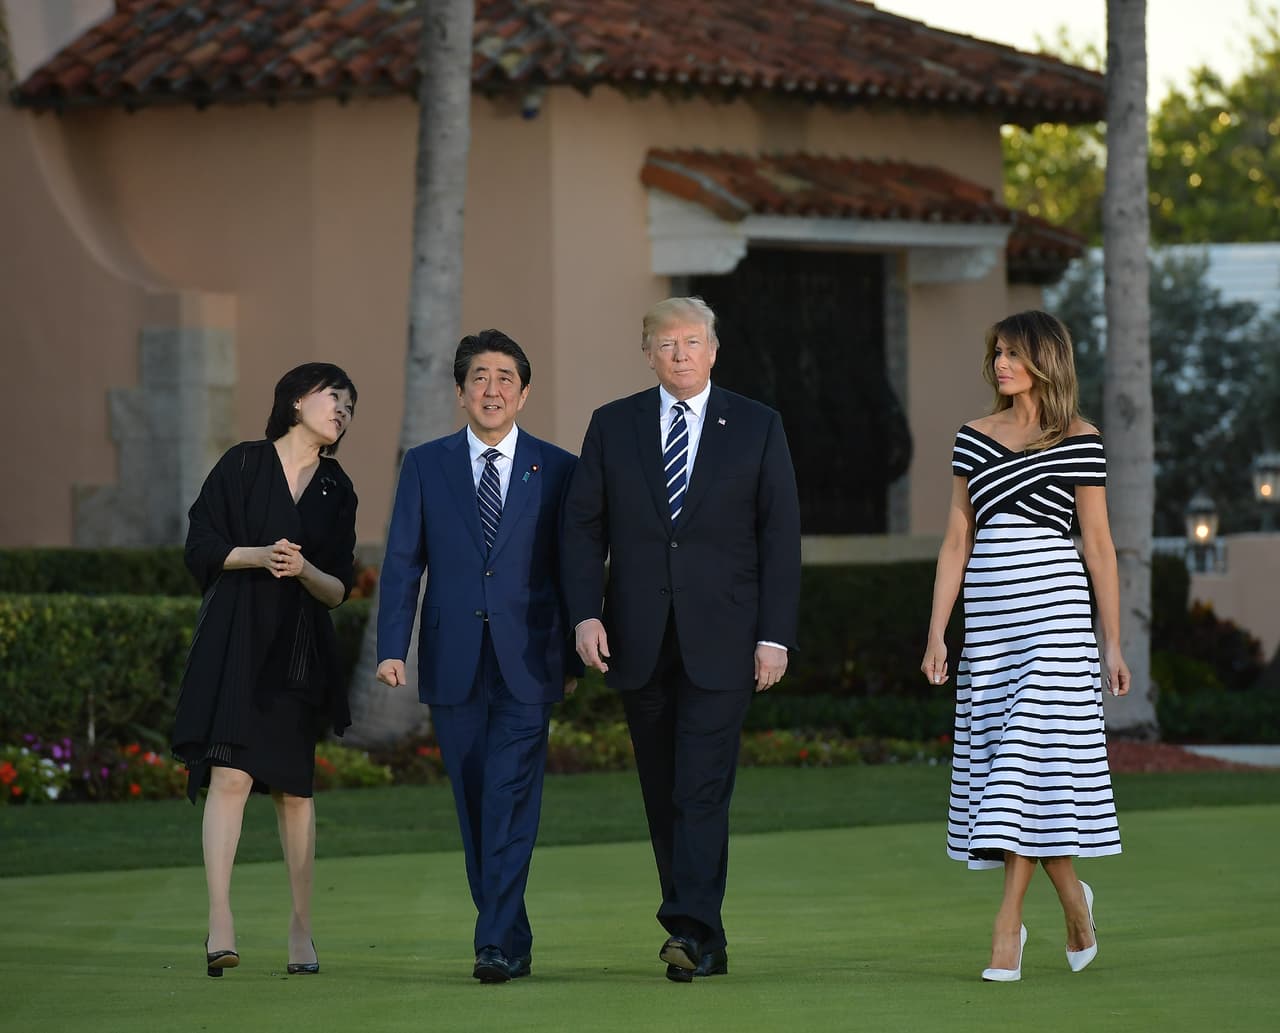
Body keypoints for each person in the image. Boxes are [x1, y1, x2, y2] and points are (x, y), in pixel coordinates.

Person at [561, 296, 801, 982]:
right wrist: (585, 614)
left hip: (726, 639)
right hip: (638, 638)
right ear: (647, 353)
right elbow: (583, 528)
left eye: (692, 341)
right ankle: (707, 935)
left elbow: (779, 537)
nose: (680, 354)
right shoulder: (613, 425)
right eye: (666, 344)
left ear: (713, 349)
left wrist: (775, 636)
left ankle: (687, 929)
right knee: (665, 790)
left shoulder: (757, 425)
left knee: (701, 786)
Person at [920, 310, 1130, 982]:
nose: (1000, 363)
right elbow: (957, 540)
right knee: (1026, 772)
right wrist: (937, 631)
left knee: (1018, 764)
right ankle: (1073, 900)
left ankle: (1007, 925)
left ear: (1045, 358)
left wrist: (1113, 643)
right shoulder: (972, 437)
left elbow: (1098, 544)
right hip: (991, 623)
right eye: (998, 353)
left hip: (1058, 621)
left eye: (1013, 353)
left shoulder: (1080, 438)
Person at [376, 330, 579, 984]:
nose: (492, 389)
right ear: (461, 391)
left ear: (525, 391)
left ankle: (491, 940)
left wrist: (574, 656)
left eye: (505, 378)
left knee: (509, 795)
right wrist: (390, 647)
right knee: (474, 803)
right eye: (479, 378)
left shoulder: (559, 468)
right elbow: (404, 561)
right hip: (452, 658)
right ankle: (511, 936)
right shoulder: (426, 464)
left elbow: (574, 571)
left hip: (530, 660)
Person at [172, 363, 359, 978]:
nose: (343, 412)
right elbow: (199, 547)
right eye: (335, 398)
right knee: (230, 777)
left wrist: (303, 570)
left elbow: (337, 590)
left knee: (295, 793)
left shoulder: (338, 490)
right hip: (237, 641)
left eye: (350, 408)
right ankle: (219, 921)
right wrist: (259, 555)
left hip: (299, 650)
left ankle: (302, 930)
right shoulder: (243, 465)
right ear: (298, 399)